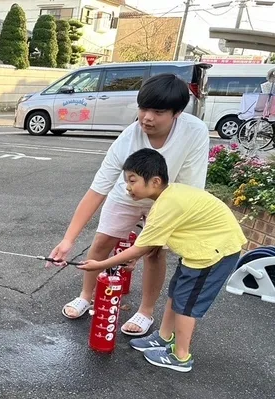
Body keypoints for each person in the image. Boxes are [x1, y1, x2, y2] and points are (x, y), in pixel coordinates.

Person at [47, 73, 210, 337]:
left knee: (155, 252)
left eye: (158, 111)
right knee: (101, 243)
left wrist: (142, 246)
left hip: (169, 198)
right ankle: (85, 296)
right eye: (144, 108)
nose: (147, 117)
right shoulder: (128, 138)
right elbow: (97, 190)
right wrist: (68, 240)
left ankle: (145, 312)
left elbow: (188, 189)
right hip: (127, 194)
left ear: (177, 113)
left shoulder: (194, 132)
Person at [78, 149, 246, 373]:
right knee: (176, 293)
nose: (128, 187)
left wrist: (100, 264)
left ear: (155, 181)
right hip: (199, 251)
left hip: (213, 254)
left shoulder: (167, 205)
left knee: (187, 304)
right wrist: (132, 258)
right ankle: (164, 337)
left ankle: (181, 356)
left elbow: (141, 246)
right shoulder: (168, 197)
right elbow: (150, 242)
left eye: (133, 180)